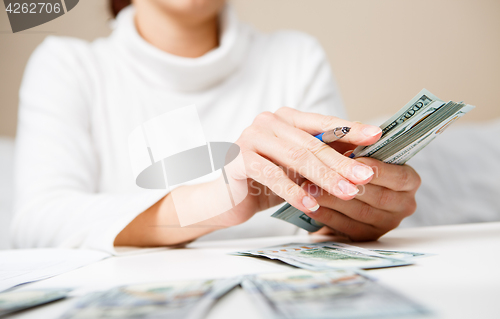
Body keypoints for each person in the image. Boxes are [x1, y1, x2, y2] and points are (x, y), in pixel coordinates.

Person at [11, 0, 420, 253]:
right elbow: (38, 221)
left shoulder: (295, 56)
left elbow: (322, 226)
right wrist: (221, 200)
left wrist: (355, 213)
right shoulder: (68, 66)